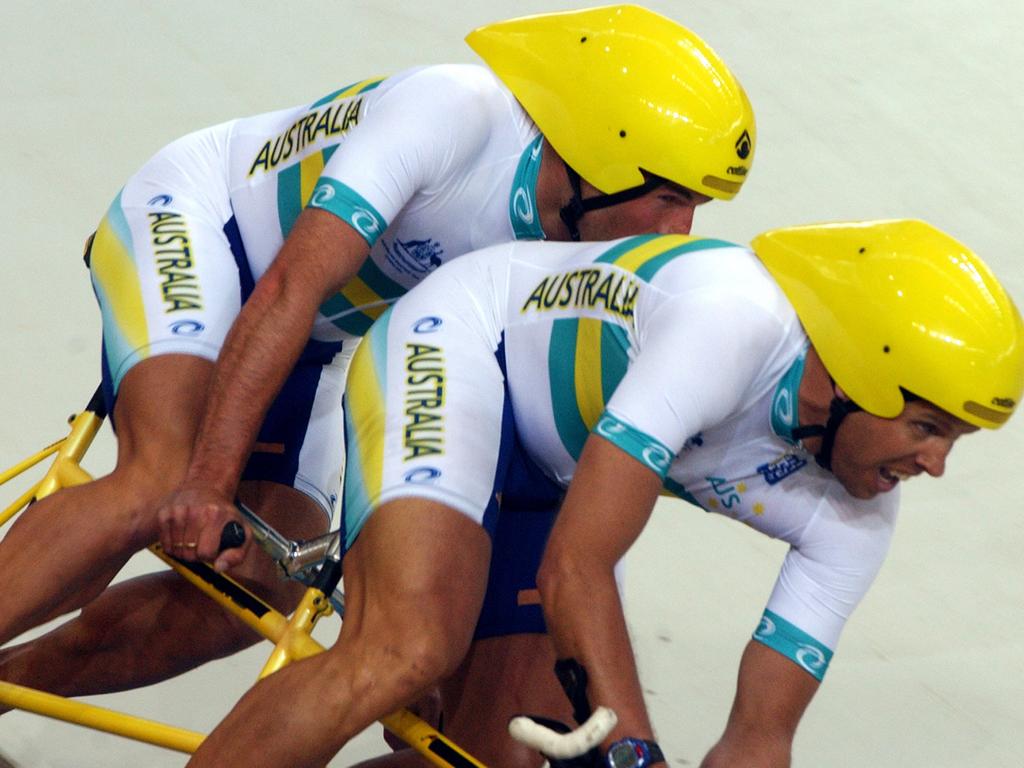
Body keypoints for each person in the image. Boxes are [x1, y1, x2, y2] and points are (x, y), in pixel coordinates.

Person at [0, 3, 754, 759]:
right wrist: (207, 479)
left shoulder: (588, 262)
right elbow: (291, 285)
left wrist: (397, 612)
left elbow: (449, 409)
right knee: (156, 481)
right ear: (602, 153)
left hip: (325, 337)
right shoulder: (452, 115)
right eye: (671, 197)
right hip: (208, 230)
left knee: (256, 595)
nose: (680, 231)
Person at [177, 220, 1022, 767]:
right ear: (858, 378)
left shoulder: (859, 510)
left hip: (556, 465)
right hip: (467, 353)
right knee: (406, 649)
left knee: (497, 760)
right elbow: (576, 566)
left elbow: (759, 741)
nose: (938, 467)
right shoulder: (733, 325)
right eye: (927, 428)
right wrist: (639, 752)